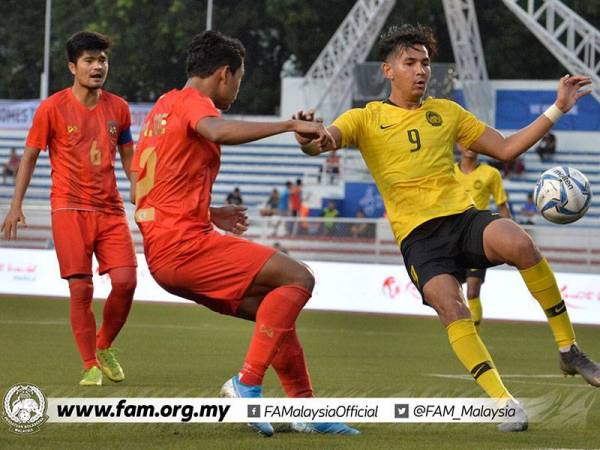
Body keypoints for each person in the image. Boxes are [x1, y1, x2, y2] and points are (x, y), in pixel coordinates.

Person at [295, 24, 599, 432]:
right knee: (451, 307)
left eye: (425, 63)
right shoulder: (365, 118)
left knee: (519, 241)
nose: (421, 70)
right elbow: (323, 142)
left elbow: (506, 148)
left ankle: (569, 349)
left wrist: (557, 107)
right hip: (418, 238)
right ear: (388, 70)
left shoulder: (448, 112)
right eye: (411, 63)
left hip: (462, 218)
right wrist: (305, 137)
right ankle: (503, 403)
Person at [131, 30, 357, 437]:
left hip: (164, 250)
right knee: (299, 277)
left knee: (276, 309)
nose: (237, 89)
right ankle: (246, 384)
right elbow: (217, 132)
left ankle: (306, 408)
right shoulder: (194, 103)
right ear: (223, 74)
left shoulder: (161, 108)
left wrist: (209, 211)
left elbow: (142, 188)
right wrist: (287, 124)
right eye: (239, 80)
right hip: (184, 246)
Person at [1, 31, 137, 386]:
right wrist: (15, 206)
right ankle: (90, 363)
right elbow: (29, 155)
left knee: (126, 281)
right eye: (90, 60)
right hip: (68, 208)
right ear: (72, 67)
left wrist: (138, 183)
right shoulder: (52, 108)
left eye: (102, 60)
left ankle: (104, 344)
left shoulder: (119, 108)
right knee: (81, 289)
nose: (98, 66)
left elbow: (127, 151)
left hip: (109, 208)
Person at [454, 144, 511, 330]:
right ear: (457, 145)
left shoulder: (491, 174)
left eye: (473, 142)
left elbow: (502, 208)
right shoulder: (448, 172)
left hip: (476, 238)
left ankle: (475, 334)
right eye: (464, 141)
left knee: (472, 291)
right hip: (452, 238)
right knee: (453, 293)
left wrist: (508, 237)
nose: (469, 146)